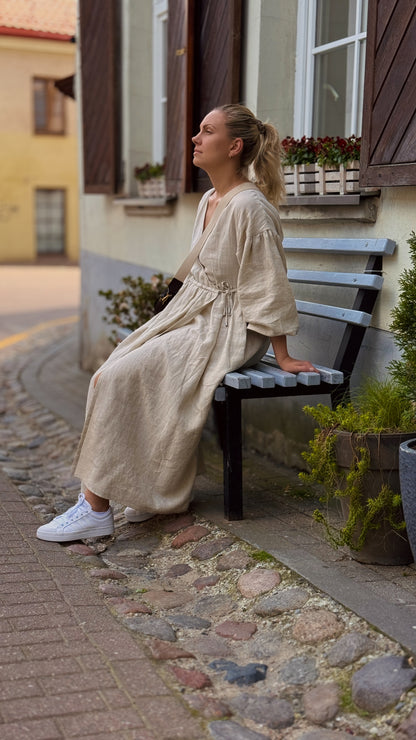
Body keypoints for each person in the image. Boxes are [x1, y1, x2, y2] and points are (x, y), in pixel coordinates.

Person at [36, 103, 317, 543]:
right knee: (107, 376)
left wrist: (282, 355)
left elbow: (267, 283)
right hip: (193, 315)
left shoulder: (251, 208)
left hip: (229, 328)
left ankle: (94, 507)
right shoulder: (210, 199)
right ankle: (148, 493)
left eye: (207, 131)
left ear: (234, 146)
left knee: (115, 378)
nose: (195, 139)